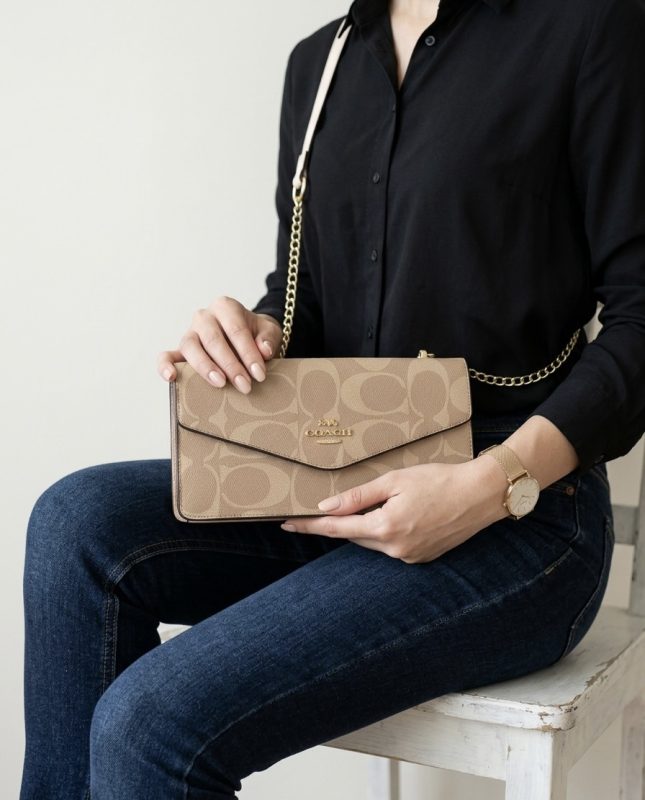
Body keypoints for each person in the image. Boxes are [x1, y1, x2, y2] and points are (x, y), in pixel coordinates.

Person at [20, 0, 644, 797]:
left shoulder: (589, 27)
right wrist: (251, 331)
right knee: (74, 522)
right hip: (338, 475)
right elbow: (305, 295)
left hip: (521, 516)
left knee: (149, 723)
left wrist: (489, 485)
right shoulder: (319, 63)